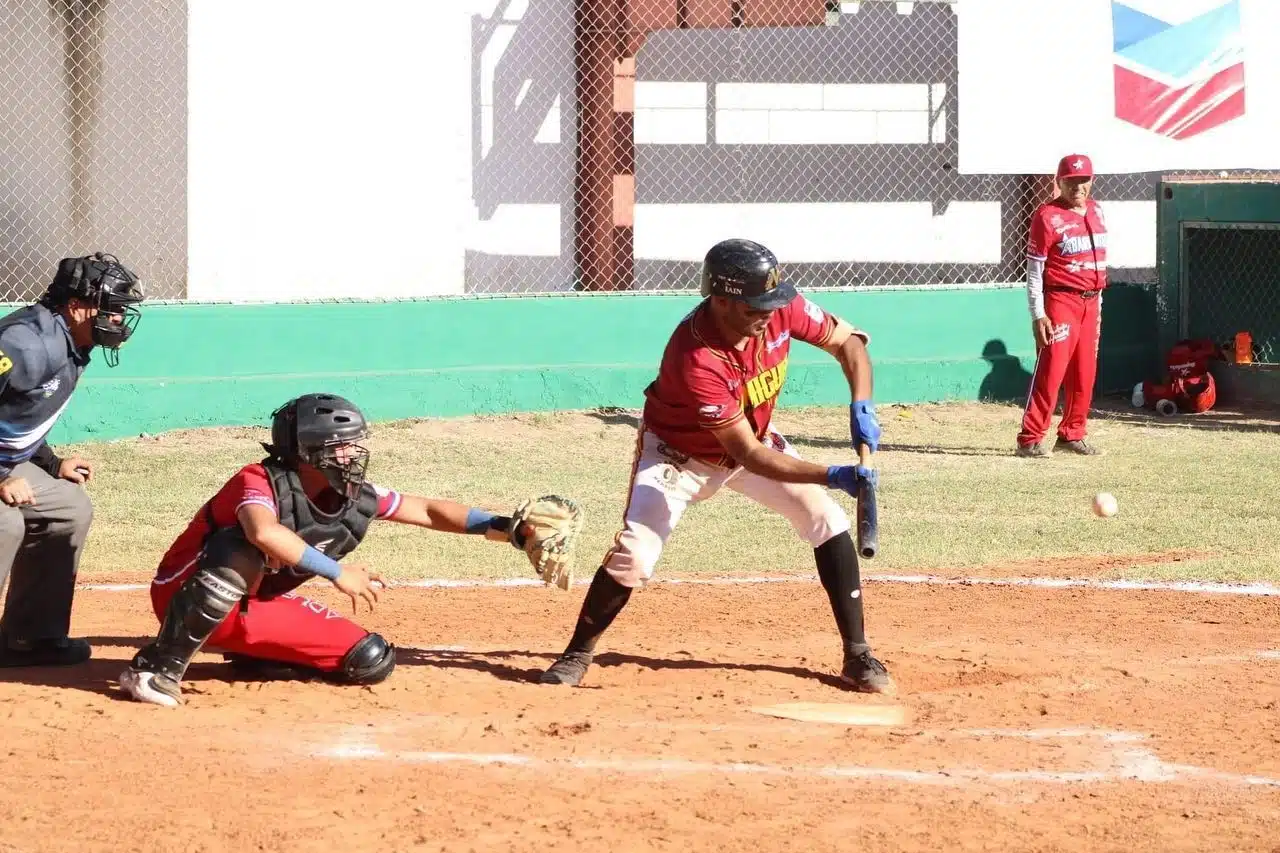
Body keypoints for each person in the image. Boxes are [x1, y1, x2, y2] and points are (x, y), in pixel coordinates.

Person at [538, 238, 894, 694]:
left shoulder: (781, 307)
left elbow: (851, 345)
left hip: (754, 439)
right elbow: (747, 455)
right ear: (720, 300)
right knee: (636, 555)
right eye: (753, 307)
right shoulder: (696, 358)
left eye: (773, 301)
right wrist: (833, 474)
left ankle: (858, 654)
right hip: (681, 456)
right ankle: (577, 654)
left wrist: (861, 407)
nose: (768, 314)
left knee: (826, 519)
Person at [118, 392, 563, 707]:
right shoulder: (257, 480)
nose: (352, 454)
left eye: (354, 444)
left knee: (370, 661)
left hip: (252, 609)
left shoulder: (355, 495)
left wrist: (509, 529)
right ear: (308, 451)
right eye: (341, 446)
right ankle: (157, 668)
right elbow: (263, 533)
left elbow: (426, 511)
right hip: (183, 593)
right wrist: (337, 572)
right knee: (240, 547)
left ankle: (253, 653)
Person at [0, 252, 145, 668]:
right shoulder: (21, 344)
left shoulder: (71, 342)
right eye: (113, 310)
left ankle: (29, 638)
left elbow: (15, 416)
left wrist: (48, 462)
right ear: (77, 304)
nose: (118, 320)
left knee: (68, 507)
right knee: (5, 521)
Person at [1017, 153, 1109, 457]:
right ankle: (1030, 438)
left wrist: (1098, 304)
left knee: (1085, 371)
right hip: (1060, 300)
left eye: (1083, 181)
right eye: (1070, 181)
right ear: (1059, 182)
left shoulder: (1097, 211)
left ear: (1092, 180)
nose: (1078, 187)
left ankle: (1072, 433)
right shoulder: (1046, 216)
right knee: (1052, 369)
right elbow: (1034, 271)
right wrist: (1038, 313)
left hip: (1092, 301)